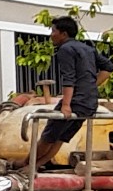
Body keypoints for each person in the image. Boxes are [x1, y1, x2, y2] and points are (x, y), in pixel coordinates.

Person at [39, 15, 103, 169]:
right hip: (89, 103)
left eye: (53, 31)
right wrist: (91, 86)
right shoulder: (88, 48)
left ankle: (26, 164)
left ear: (63, 34)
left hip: (75, 102)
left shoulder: (65, 49)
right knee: (60, 138)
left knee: (48, 137)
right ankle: (35, 165)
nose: (51, 35)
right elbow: (108, 67)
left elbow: (69, 78)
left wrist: (66, 104)